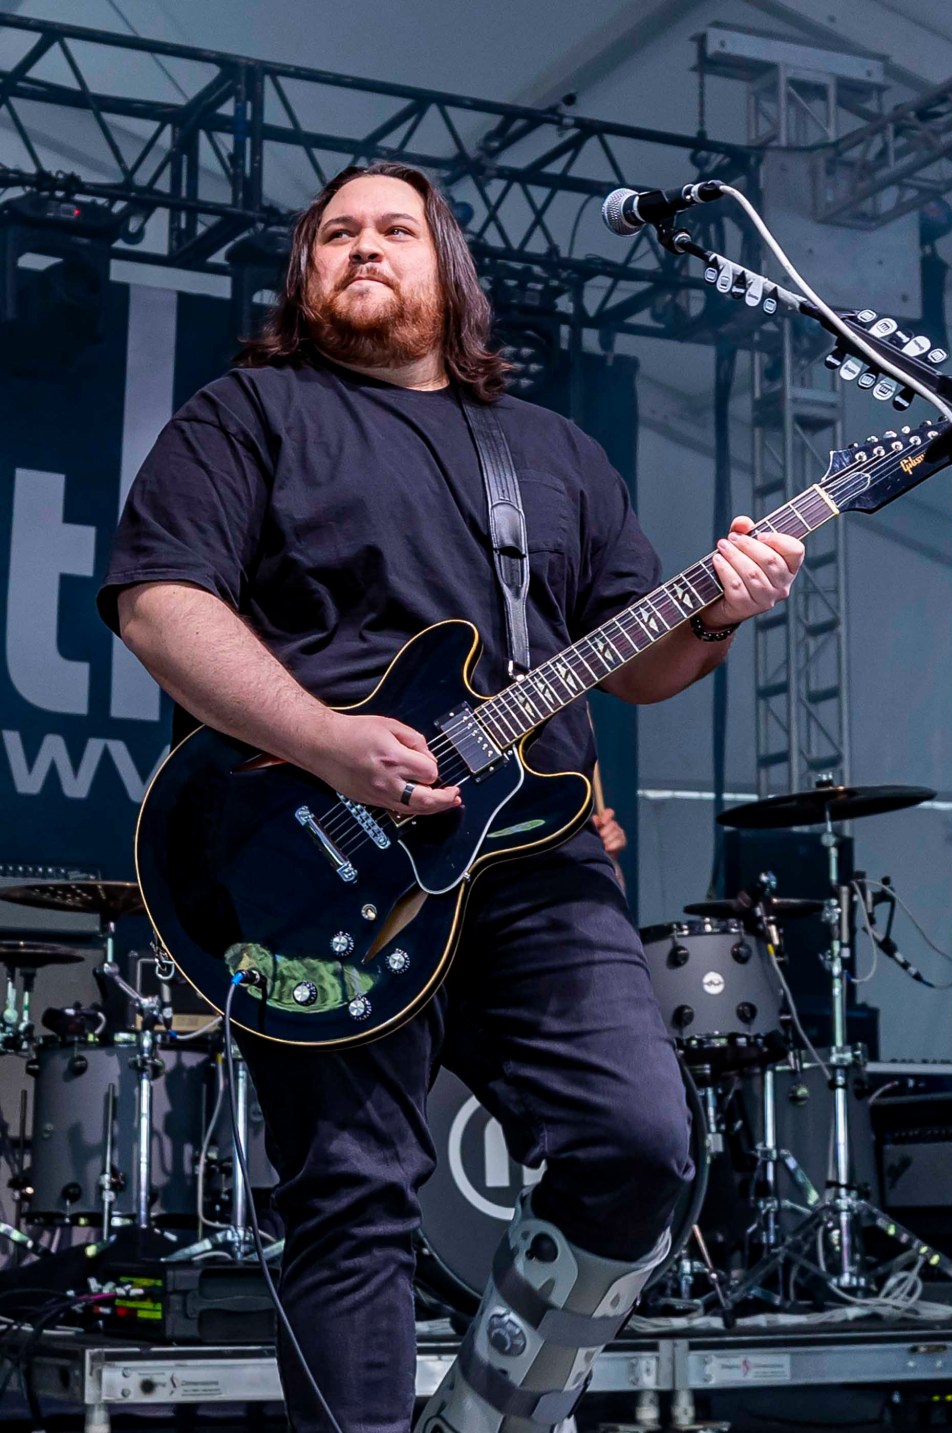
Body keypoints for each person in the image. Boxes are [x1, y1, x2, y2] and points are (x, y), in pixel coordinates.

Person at [98, 161, 804, 1433]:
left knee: (638, 1145)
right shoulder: (250, 414)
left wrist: (714, 608)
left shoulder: (554, 453)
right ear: (306, 273)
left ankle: (485, 1413)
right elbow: (160, 606)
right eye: (336, 235)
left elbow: (639, 665)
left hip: (533, 859)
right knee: (354, 1192)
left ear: (450, 270)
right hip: (318, 850)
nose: (364, 248)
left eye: (395, 230)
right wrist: (326, 741)